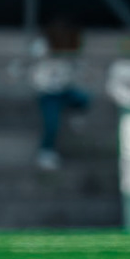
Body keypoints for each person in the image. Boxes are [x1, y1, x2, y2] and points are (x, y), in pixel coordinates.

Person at [29, 17, 88, 171]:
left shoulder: (72, 45)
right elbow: (34, 58)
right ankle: (46, 152)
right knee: (52, 123)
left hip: (65, 90)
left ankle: (76, 116)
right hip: (48, 92)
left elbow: (79, 67)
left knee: (84, 98)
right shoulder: (43, 46)